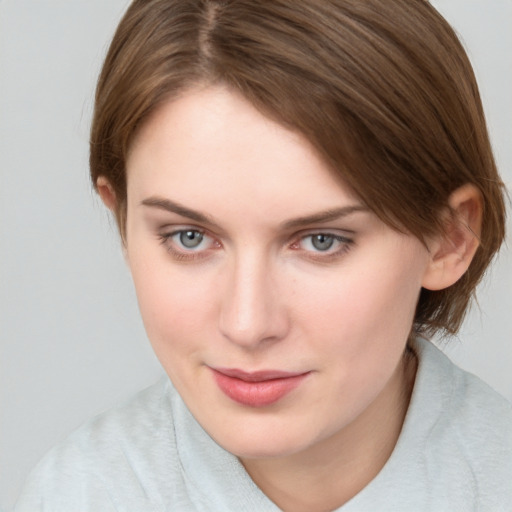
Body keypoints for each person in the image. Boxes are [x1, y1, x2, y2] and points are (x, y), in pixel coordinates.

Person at [15, 0, 511, 510]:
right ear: (122, 221)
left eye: (323, 240)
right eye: (189, 236)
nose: (248, 325)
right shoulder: (78, 495)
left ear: (450, 236)